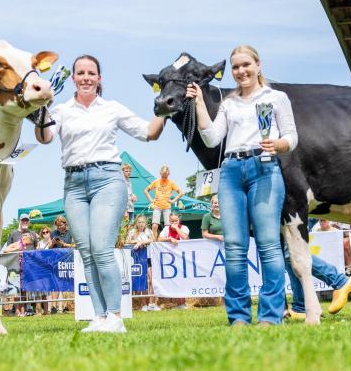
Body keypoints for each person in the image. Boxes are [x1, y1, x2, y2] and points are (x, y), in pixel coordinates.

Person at [35, 54, 165, 333]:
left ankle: (116, 317)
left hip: (108, 179)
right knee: (86, 252)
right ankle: (100, 317)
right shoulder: (60, 111)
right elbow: (44, 138)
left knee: (102, 249)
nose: (85, 77)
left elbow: (148, 133)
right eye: (80, 73)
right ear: (72, 79)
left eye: (91, 73)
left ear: (99, 78)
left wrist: (165, 107)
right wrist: (42, 107)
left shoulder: (112, 108)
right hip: (74, 184)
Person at [187, 44, 295, 326]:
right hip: (231, 171)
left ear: (258, 65)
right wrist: (199, 102)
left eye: (246, 64)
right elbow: (211, 139)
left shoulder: (277, 97)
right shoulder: (229, 103)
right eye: (236, 67)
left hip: (265, 168)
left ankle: (271, 316)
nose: (241, 71)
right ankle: (238, 318)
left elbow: (292, 136)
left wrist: (279, 143)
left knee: (269, 245)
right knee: (234, 247)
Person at [125, 215, 159, 312]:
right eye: (139, 222)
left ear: (145, 223)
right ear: (136, 223)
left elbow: (153, 240)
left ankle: (152, 303)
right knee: (142, 281)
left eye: (142, 222)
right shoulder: (132, 232)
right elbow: (127, 241)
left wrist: (142, 242)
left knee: (151, 279)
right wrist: (136, 241)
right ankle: (143, 304)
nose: (141, 224)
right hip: (138, 259)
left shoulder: (149, 231)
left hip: (148, 258)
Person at [144, 166, 183, 240]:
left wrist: (173, 200)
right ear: (160, 173)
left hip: (167, 206)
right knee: (154, 225)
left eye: (166, 175)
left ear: (168, 174)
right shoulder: (156, 182)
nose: (164, 177)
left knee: (167, 226)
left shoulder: (171, 183)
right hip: (157, 206)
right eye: (163, 175)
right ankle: (154, 242)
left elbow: (180, 193)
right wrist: (151, 199)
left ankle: (167, 240)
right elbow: (146, 190)